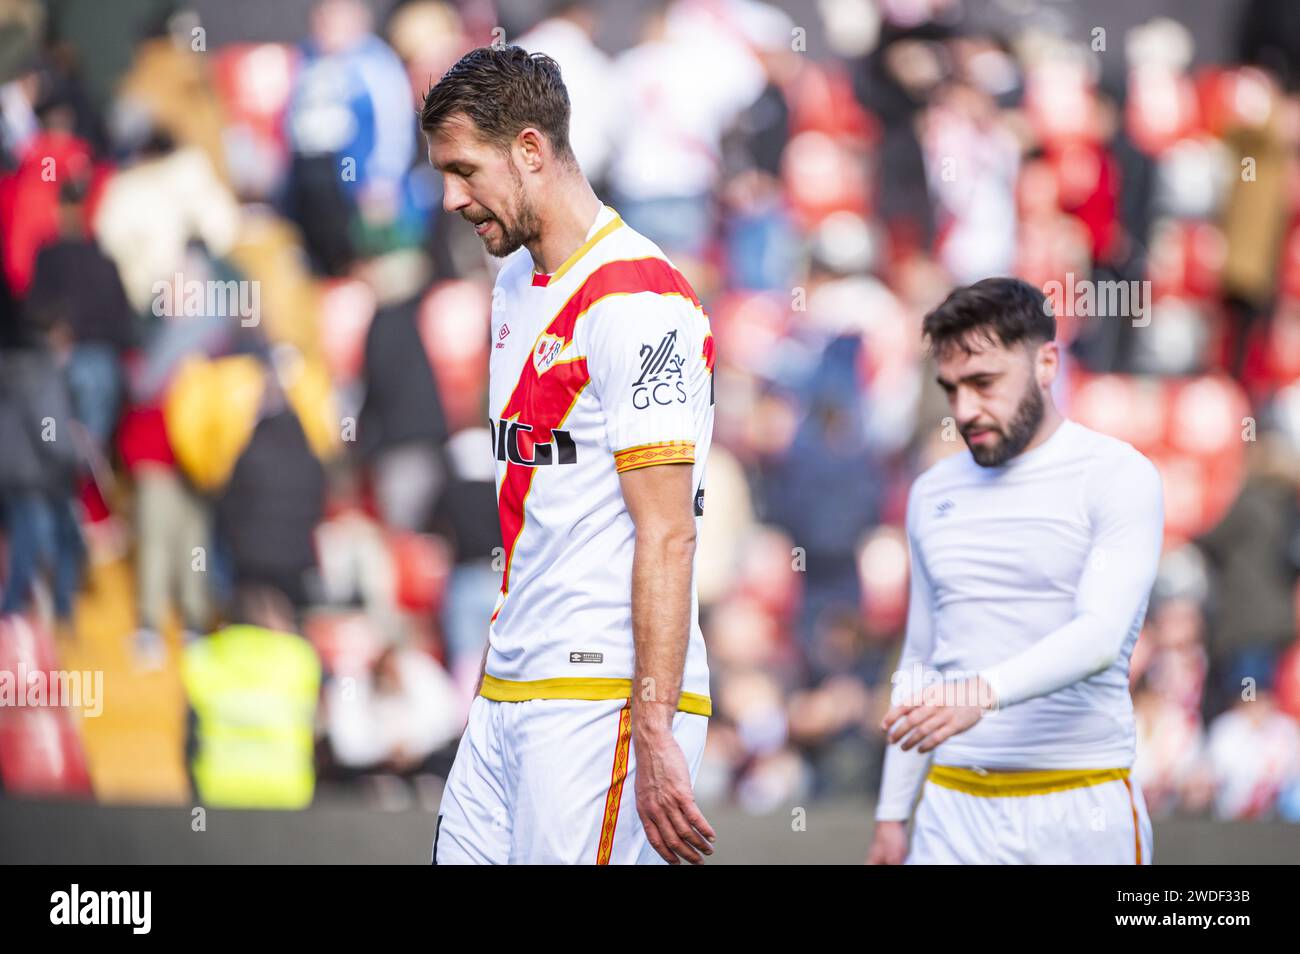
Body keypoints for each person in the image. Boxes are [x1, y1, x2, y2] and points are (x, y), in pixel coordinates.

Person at [421, 46, 716, 865]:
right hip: (509, 685)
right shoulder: (513, 283)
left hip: (601, 696)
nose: (451, 198)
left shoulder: (639, 300)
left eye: (463, 170)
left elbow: (668, 533)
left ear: (529, 150)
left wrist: (653, 724)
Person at [867, 277, 1164, 865]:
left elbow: (1101, 636)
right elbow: (922, 656)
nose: (965, 410)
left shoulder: (1116, 475)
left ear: (1047, 362)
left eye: (984, 383)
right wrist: (891, 815)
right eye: (950, 389)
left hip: (1081, 803)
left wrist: (983, 693)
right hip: (951, 812)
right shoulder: (931, 493)